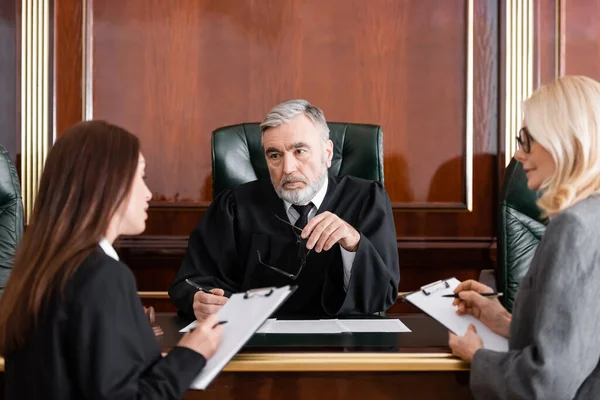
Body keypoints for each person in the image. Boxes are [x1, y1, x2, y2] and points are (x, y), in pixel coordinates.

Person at [0, 121, 223, 399]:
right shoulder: (102, 275)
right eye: (140, 176)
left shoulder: (39, 270)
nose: (148, 193)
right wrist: (191, 353)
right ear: (107, 182)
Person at [169, 99, 399, 319]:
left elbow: (382, 296)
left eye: (300, 151)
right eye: (275, 155)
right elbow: (191, 283)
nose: (288, 168)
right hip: (254, 347)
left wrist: (353, 243)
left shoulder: (367, 199)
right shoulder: (234, 206)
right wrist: (198, 300)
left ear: (327, 153)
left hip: (343, 348)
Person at [448, 75, 600, 399]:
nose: (518, 155)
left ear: (565, 141)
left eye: (527, 140)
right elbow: (584, 337)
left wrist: (478, 358)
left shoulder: (574, 228)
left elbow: (548, 384)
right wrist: (504, 320)